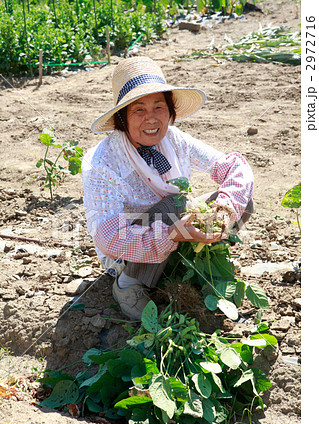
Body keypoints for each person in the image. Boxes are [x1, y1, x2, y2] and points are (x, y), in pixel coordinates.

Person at [82, 56, 254, 321]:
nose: (151, 118)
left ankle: (176, 269)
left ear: (170, 112)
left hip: (173, 234)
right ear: (122, 118)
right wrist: (171, 234)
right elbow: (109, 238)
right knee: (176, 204)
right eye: (138, 110)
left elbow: (234, 168)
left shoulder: (174, 141)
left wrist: (223, 209)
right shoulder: (103, 161)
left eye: (158, 107)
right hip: (126, 254)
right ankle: (129, 284)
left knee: (243, 201)